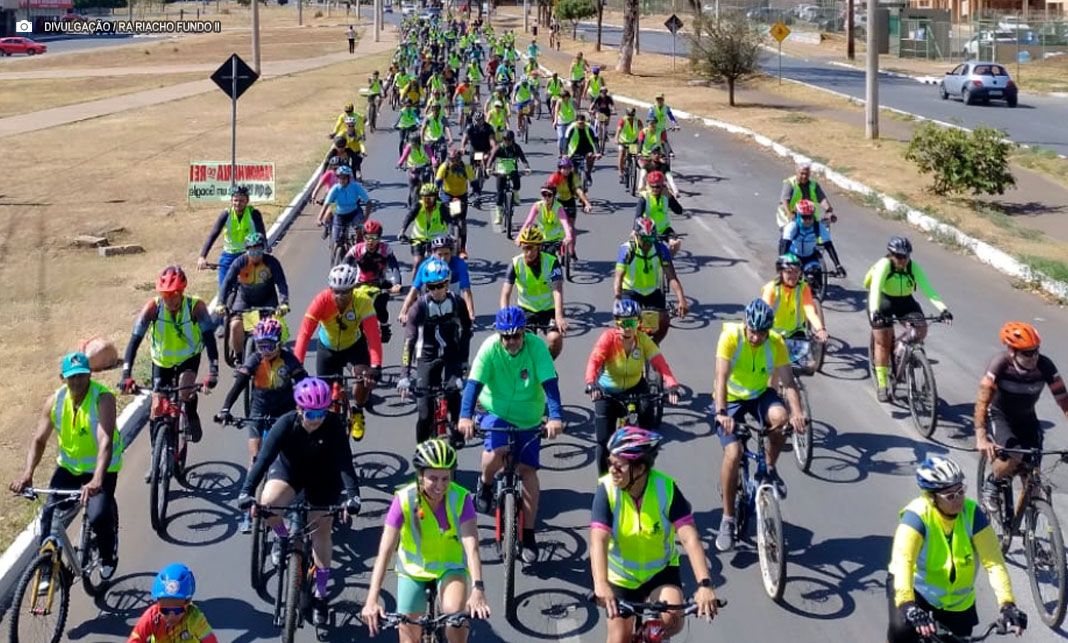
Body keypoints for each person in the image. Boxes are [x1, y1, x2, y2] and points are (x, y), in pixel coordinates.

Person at [236, 378, 361, 627]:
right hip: (290, 473)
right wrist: (246, 491)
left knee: (321, 533)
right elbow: (262, 460)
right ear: (299, 409)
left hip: (324, 478)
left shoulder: (334, 425)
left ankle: (321, 594)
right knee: (268, 503)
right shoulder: (284, 424)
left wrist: (353, 495)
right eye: (311, 413)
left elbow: (346, 464)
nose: (316, 418)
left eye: (322, 412)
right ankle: (283, 537)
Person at [590, 428, 720, 643]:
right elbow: (598, 540)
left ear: (640, 468)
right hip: (621, 576)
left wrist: (705, 585)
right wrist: (601, 584)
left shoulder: (666, 488)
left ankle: (646, 636)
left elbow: (689, 538)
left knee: (672, 618)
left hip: (660, 571)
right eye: (609, 462)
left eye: (618, 465)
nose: (611, 470)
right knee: (618, 638)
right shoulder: (606, 490)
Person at [458, 306, 565, 561]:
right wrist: (465, 417)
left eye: (516, 336)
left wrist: (555, 417)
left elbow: (550, 385)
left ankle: (528, 535)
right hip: (496, 410)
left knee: (528, 472)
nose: (511, 342)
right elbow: (473, 386)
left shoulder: (537, 348)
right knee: (494, 453)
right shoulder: (490, 349)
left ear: (524, 334)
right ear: (499, 335)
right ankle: (484, 484)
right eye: (506, 337)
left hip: (528, 415)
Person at [361, 440, 491, 642]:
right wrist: (372, 599)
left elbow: (472, 547)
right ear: (420, 476)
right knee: (408, 635)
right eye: (433, 478)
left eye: (445, 479)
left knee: (454, 617)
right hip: (413, 569)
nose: (440, 486)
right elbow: (385, 551)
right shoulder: (403, 499)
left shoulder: (461, 499)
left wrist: (478, 589)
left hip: (450, 567)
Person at [887, 456, 1027, 643]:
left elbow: (993, 562)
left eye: (961, 491)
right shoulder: (916, 518)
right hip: (918, 592)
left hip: (958, 604)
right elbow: (903, 562)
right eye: (950, 496)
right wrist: (908, 605)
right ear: (932, 497)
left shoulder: (973, 514)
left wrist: (1007, 604)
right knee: (901, 632)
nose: (959, 499)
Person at [10, 352, 122, 581]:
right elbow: (39, 440)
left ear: (90, 374)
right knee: (49, 515)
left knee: (99, 515)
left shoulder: (103, 398)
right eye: (72, 377)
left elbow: (105, 441)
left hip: (101, 468)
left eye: (82, 375)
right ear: (63, 378)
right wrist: (27, 474)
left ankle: (109, 555)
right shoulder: (55, 401)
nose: (77, 381)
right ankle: (49, 569)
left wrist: (98, 479)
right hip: (69, 468)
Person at [712, 299, 806, 552]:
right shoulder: (731, 337)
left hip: (758, 395)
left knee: (781, 420)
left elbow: (789, 381)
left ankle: (768, 469)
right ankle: (727, 519)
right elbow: (720, 378)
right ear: (745, 325)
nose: (756, 337)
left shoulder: (775, 343)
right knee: (734, 453)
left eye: (761, 333)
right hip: (730, 399)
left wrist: (797, 413)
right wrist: (722, 413)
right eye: (752, 331)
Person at [214, 319, 307, 532]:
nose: (264, 351)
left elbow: (303, 384)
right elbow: (238, 385)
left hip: (284, 412)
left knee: (289, 456)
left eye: (269, 345)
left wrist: (305, 408)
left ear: (279, 343)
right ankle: (248, 511)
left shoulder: (290, 360)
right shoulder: (255, 360)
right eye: (260, 345)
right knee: (255, 459)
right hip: (259, 411)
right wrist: (225, 409)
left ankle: (294, 501)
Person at [119, 266, 219, 447]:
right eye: (165, 295)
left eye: (173, 295)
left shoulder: (196, 307)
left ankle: (191, 411)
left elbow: (210, 339)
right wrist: (126, 374)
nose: (169, 300)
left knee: (184, 391)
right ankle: (156, 455)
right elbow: (134, 341)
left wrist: (213, 370)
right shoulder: (152, 308)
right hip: (161, 361)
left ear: (182, 292)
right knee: (156, 408)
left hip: (188, 358)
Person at [975, 322, 1068, 511]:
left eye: (1036, 351)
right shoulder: (999, 365)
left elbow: (1065, 402)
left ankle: (1028, 529)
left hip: (1027, 418)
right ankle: (993, 482)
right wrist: (981, 437)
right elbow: (983, 402)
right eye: (1027, 353)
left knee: (1033, 475)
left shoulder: (1045, 365)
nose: (1033, 357)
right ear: (1011, 351)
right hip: (1000, 415)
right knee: (1013, 456)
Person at [585, 300, 680, 475]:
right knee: (603, 442)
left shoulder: (642, 340)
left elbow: (660, 363)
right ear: (616, 322)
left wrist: (672, 385)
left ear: (639, 323)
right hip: (608, 392)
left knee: (647, 430)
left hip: (635, 387)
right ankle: (602, 481)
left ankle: (644, 469)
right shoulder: (608, 339)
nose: (628, 328)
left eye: (633, 322)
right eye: (623, 323)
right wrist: (591, 383)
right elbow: (594, 361)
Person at [293, 264, 383, 441]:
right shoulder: (321, 300)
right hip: (327, 349)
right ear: (330, 289)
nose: (340, 296)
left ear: (353, 289)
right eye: (336, 291)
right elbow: (304, 334)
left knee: (362, 379)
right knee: (323, 395)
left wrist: (376, 365)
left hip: (353, 348)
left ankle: (357, 411)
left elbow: (373, 337)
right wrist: (296, 366)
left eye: (345, 291)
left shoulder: (363, 301)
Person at [865, 236, 952, 403]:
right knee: (882, 342)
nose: (903, 260)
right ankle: (883, 384)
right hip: (883, 301)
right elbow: (875, 288)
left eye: (906, 256)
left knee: (920, 329)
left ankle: (900, 349)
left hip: (905, 301)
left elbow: (929, 290)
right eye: (899, 256)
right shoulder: (884, 265)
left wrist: (944, 309)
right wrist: (875, 311)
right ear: (891, 255)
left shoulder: (913, 267)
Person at [399, 259, 473, 445]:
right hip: (426, 356)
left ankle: (455, 427)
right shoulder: (419, 308)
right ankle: (422, 452)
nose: (437, 290)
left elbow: (466, 331)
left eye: (441, 285)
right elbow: (409, 341)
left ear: (447, 283)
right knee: (424, 414)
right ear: (426, 287)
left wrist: (464, 360)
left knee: (454, 391)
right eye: (432, 286)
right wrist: (405, 375)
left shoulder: (457, 302)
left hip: (451, 355)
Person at [217, 232, 290, 365]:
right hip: (244, 298)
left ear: (263, 249)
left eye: (258, 251)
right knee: (235, 325)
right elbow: (227, 283)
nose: (255, 255)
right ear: (246, 251)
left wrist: (284, 303)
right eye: (251, 251)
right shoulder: (239, 262)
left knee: (275, 327)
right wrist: (220, 303)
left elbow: (281, 283)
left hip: (267, 298)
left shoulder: (272, 262)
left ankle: (274, 354)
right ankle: (239, 358)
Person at [613, 218, 688, 346]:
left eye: (651, 239)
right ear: (636, 236)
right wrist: (617, 298)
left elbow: (672, 277)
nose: (648, 243)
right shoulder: (627, 250)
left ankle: (653, 346)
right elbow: (618, 277)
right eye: (644, 239)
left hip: (652, 292)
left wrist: (681, 299)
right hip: (631, 291)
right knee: (627, 323)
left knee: (664, 320)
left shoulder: (660, 250)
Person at [500, 227, 568, 360]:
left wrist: (559, 317)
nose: (527, 252)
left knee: (555, 339)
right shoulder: (515, 264)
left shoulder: (552, 262)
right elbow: (505, 294)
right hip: (526, 311)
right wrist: (505, 315)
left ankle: (546, 364)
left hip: (548, 310)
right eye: (525, 248)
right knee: (524, 343)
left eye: (531, 248)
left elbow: (557, 290)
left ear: (539, 247)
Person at [343, 219, 403, 343]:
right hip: (359, 284)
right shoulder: (356, 250)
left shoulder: (386, 249)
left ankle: (385, 327)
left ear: (379, 238)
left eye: (374, 237)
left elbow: (394, 267)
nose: (371, 241)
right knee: (355, 310)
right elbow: (344, 267)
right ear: (363, 237)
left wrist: (397, 283)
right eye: (368, 237)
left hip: (380, 283)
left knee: (380, 306)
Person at [197, 186, 266, 291]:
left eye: (242, 200)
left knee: (256, 287)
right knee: (223, 289)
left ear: (247, 201)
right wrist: (202, 256)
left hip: (248, 255)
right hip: (228, 256)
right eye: (235, 200)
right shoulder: (226, 214)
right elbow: (213, 235)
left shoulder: (254, 214)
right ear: (231, 200)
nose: (238, 203)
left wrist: (264, 250)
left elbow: (262, 235)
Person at [127, 563, 218, 642]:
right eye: (165, 611)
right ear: (158, 603)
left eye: (177, 610)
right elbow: (136, 638)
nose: (171, 616)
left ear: (188, 603)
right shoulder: (152, 617)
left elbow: (210, 640)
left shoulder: (194, 619)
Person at [399, 234, 476, 325]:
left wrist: (470, 314)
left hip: (452, 289)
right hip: (431, 294)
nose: (443, 258)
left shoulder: (460, 264)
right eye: (440, 254)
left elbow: (466, 291)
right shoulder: (425, 265)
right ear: (433, 253)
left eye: (446, 254)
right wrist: (403, 312)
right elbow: (414, 290)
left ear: (451, 252)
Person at [760, 253, 828, 343]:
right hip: (773, 334)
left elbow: (810, 312)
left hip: (795, 333)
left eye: (796, 272)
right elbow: (764, 313)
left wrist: (820, 329)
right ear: (781, 272)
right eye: (789, 272)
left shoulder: (803, 288)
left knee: (803, 355)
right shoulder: (771, 288)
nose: (793, 276)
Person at [778, 198, 845, 278]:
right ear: (798, 216)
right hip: (794, 256)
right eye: (804, 217)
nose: (808, 220)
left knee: (816, 276)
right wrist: (782, 263)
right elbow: (784, 245)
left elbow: (829, 246)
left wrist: (838, 266)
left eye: (810, 217)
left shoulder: (818, 226)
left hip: (810, 257)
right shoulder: (792, 226)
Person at [399, 183, 453, 281]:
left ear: (435, 198)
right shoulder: (418, 206)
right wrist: (402, 231)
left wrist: (451, 234)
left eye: (430, 198)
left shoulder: (441, 207)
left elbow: (449, 221)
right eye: (424, 198)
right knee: (417, 262)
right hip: (418, 238)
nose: (427, 201)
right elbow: (409, 218)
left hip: (437, 239)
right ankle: (414, 288)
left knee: (442, 261)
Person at [317, 165, 373, 249]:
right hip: (339, 212)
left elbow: (368, 202)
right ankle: (327, 228)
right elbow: (326, 204)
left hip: (354, 212)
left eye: (344, 178)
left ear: (349, 178)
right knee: (337, 239)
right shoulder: (335, 188)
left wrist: (365, 218)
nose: (342, 180)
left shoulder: (356, 186)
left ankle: (358, 249)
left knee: (360, 229)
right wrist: (319, 218)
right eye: (340, 178)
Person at [485, 129, 531, 228]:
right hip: (500, 172)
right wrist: (488, 168)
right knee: (500, 193)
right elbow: (491, 159)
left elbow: (523, 159)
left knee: (517, 183)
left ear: (512, 140)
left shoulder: (516, 148)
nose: (507, 141)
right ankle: (499, 214)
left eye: (509, 139)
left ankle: (515, 193)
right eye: (505, 139)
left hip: (512, 170)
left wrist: (527, 167)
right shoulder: (498, 148)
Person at [518, 183, 576, 259]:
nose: (546, 197)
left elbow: (564, 223)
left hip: (556, 238)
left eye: (549, 195)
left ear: (553, 196)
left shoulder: (558, 208)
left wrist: (568, 236)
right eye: (543, 194)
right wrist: (519, 236)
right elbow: (528, 222)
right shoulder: (537, 206)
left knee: (549, 255)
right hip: (541, 237)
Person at [435, 147, 476, 257]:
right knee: (445, 218)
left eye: (455, 160)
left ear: (459, 159)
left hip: (461, 195)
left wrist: (477, 195)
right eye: (451, 159)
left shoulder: (466, 168)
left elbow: (474, 182)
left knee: (462, 222)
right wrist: (435, 197)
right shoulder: (444, 167)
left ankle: (462, 248)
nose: (453, 162)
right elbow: (437, 183)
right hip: (447, 194)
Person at [777, 161, 837, 231]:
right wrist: (790, 215)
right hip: (788, 217)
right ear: (796, 172)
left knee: (819, 237)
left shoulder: (814, 185)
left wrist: (828, 210)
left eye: (807, 174)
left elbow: (822, 199)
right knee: (789, 236)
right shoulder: (790, 183)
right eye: (802, 173)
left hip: (808, 218)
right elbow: (785, 200)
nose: (804, 176)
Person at [634, 171, 683, 255]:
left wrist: (670, 197)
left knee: (676, 243)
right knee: (645, 253)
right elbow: (638, 216)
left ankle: (667, 261)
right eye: (652, 186)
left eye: (658, 186)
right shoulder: (645, 198)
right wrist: (634, 230)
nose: (655, 189)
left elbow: (679, 211)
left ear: (662, 186)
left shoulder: (666, 196)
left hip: (664, 229)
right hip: (647, 230)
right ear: (648, 185)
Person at [546, 157, 592, 225]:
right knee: (555, 224)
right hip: (558, 200)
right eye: (564, 168)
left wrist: (587, 203)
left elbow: (578, 190)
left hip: (570, 200)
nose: (566, 170)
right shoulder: (554, 177)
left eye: (568, 168)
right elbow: (547, 191)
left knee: (570, 226)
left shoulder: (573, 176)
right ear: (560, 168)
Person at [461, 112, 495, 193]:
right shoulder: (470, 127)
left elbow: (492, 140)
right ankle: (474, 179)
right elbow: (465, 138)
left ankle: (486, 170)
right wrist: (462, 147)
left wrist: (493, 149)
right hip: (475, 149)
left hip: (486, 149)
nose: (478, 122)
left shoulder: (488, 128)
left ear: (483, 120)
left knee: (487, 163)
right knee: (472, 167)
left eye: (480, 120)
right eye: (476, 120)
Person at [564, 114, 601, 180]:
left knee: (591, 158)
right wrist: (565, 154)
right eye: (579, 123)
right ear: (576, 122)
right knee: (574, 169)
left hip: (587, 148)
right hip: (574, 149)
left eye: (582, 123)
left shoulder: (590, 127)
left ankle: (588, 173)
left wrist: (598, 152)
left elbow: (595, 140)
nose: (581, 125)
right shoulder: (571, 128)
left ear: (585, 122)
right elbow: (566, 141)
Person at [614, 107, 642, 181]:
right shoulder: (623, 120)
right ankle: (620, 172)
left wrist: (642, 139)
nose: (631, 117)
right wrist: (616, 138)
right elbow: (618, 130)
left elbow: (642, 131)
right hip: (623, 141)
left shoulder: (638, 121)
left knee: (635, 155)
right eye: (629, 115)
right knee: (621, 153)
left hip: (633, 141)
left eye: (632, 115)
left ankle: (633, 166)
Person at [552, 89, 578, 156]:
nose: (563, 99)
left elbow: (576, 110)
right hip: (561, 122)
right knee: (561, 137)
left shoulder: (572, 101)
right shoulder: (559, 102)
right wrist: (555, 121)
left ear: (568, 97)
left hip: (571, 121)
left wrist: (576, 120)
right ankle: (560, 150)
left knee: (570, 137)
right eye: (562, 97)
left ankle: (568, 151)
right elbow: (556, 111)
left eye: (565, 97)